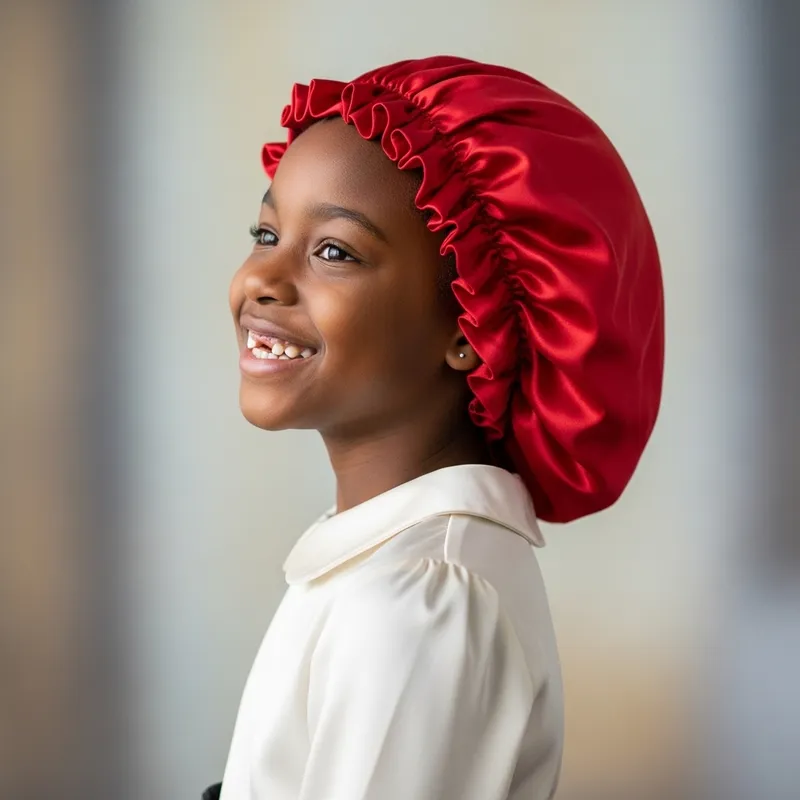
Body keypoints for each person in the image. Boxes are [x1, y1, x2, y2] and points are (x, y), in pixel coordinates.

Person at [206, 55, 664, 800]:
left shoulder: (417, 603)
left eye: (334, 251)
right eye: (265, 233)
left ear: (470, 325)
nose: (262, 277)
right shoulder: (390, 568)